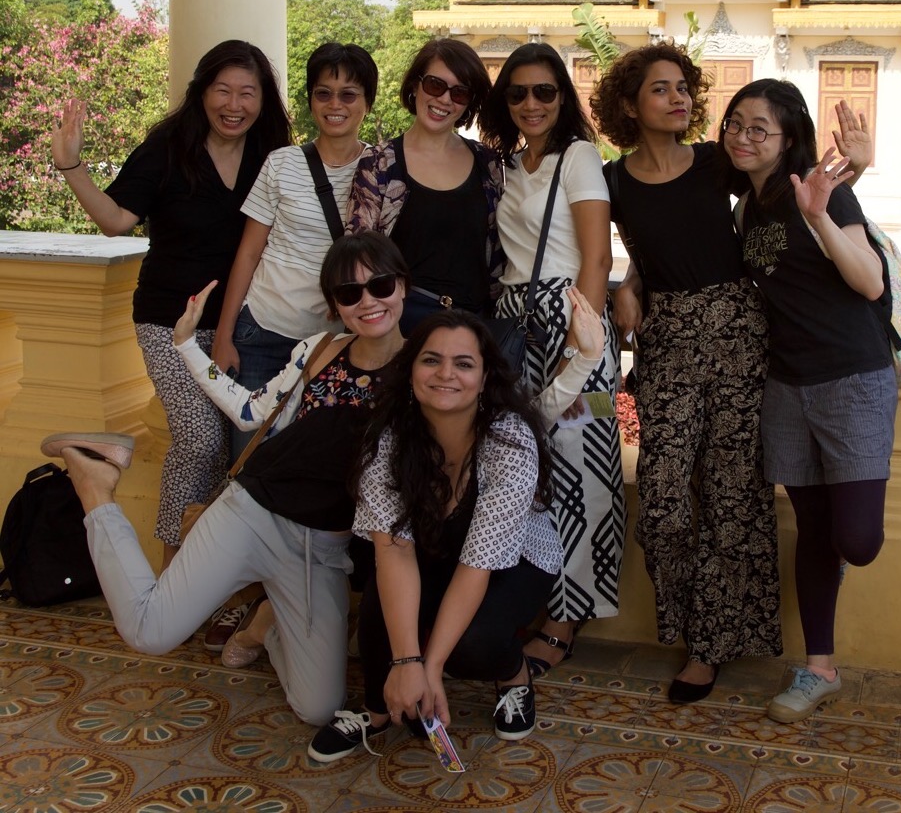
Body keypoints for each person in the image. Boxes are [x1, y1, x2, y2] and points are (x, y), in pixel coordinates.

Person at [589, 45, 869, 703]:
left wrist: (857, 167)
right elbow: (630, 251)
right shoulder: (613, 180)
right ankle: (689, 622)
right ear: (630, 105)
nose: (679, 98)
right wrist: (629, 282)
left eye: (684, 88)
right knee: (661, 502)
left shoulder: (719, 164)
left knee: (732, 499)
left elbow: (793, 196)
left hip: (739, 336)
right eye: (661, 89)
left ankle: (709, 646)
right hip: (667, 342)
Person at [41, 232, 409, 727]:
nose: (368, 301)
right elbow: (249, 412)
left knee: (319, 707)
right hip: (253, 513)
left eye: (380, 285)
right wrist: (185, 345)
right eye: (349, 293)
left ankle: (265, 623)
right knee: (151, 631)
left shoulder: (426, 372)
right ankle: (96, 489)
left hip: (322, 548)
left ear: (402, 286)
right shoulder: (319, 351)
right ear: (335, 307)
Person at [307, 291, 605, 762]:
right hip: (430, 551)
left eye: (464, 364)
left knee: (473, 645)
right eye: (432, 360)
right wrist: (406, 662)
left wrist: (431, 668)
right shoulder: (388, 439)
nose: (446, 374)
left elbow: (477, 566)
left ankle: (512, 674)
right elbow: (394, 552)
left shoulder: (509, 441)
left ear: (485, 378)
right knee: (381, 612)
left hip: (513, 562)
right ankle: (377, 708)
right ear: (410, 373)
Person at [51, 41, 292, 570]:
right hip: (168, 322)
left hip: (244, 325)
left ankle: (212, 574)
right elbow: (117, 221)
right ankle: (172, 568)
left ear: (264, 100)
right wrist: (71, 166)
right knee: (200, 440)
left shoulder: (272, 153)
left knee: (236, 452)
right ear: (201, 92)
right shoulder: (168, 147)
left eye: (247, 93)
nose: (234, 104)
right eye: (222, 90)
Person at [716, 78, 895, 723]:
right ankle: (820, 667)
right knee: (815, 530)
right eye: (734, 123)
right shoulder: (748, 207)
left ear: (789, 138)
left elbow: (870, 282)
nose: (741, 136)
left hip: (851, 378)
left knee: (857, 538)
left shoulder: (824, 193)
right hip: (785, 387)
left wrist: (822, 211)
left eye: (759, 127)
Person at [477, 42, 622, 677]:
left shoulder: (579, 157)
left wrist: (579, 350)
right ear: (502, 101)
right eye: (517, 93)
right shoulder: (503, 165)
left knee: (581, 469)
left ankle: (566, 620)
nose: (531, 103)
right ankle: (530, 602)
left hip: (574, 331)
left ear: (562, 97)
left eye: (544, 92)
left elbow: (596, 259)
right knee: (523, 474)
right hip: (512, 332)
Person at [211, 42, 378, 448]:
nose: (335, 104)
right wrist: (224, 334)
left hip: (335, 343)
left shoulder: (382, 171)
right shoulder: (281, 163)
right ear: (310, 101)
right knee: (248, 460)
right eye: (323, 93)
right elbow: (249, 253)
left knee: (318, 463)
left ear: (367, 103)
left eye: (348, 94)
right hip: (263, 333)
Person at [347, 38, 504, 333]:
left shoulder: (488, 163)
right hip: (401, 328)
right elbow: (359, 257)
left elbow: (496, 255)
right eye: (435, 85)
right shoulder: (380, 163)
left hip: (473, 329)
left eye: (460, 93)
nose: (445, 99)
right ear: (416, 85)